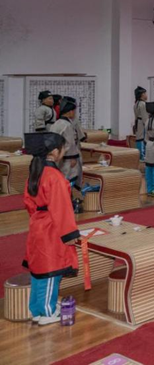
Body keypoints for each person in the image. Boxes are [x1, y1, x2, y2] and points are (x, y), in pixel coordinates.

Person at [22, 132, 81, 326]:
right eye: (63, 149)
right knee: (50, 271)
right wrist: (70, 234)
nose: (64, 152)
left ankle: (37, 310)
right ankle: (47, 311)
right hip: (51, 227)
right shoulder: (54, 176)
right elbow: (61, 208)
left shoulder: (36, 172)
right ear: (54, 152)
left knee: (37, 271)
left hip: (38, 223)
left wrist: (39, 217)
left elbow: (28, 202)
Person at [50, 97, 83, 197]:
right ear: (69, 111)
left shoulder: (56, 123)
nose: (74, 113)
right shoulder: (67, 125)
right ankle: (66, 200)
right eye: (73, 111)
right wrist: (73, 157)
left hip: (56, 156)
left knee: (59, 179)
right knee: (68, 179)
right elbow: (70, 143)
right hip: (67, 158)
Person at [133, 86, 148, 161]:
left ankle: (140, 155)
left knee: (139, 139)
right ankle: (142, 156)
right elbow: (145, 117)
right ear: (142, 94)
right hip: (142, 123)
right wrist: (148, 125)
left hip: (138, 122)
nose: (146, 95)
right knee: (142, 139)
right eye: (145, 93)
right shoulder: (143, 104)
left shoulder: (136, 103)